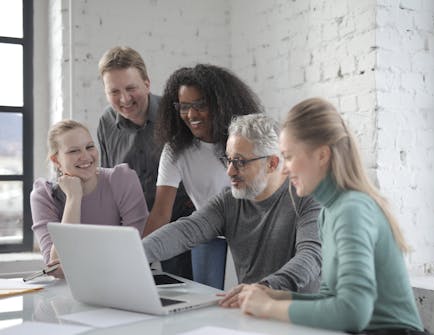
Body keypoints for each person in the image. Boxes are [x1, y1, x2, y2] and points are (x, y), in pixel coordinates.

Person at [237, 98, 425, 335]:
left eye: (290, 156)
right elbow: (331, 298)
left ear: (322, 155)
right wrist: (279, 296)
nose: (284, 168)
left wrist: (270, 308)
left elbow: (353, 313)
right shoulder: (329, 211)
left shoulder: (352, 209)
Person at [143, 114, 321, 294]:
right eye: (228, 160)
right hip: (251, 310)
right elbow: (185, 231)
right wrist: (134, 254)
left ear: (271, 163)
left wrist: (266, 288)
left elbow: (311, 256)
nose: (229, 171)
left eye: (240, 162)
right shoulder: (228, 201)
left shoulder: (309, 198)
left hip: (300, 316)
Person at [144, 64, 264, 289]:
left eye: (200, 105)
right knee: (210, 303)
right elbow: (160, 213)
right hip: (206, 238)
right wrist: (137, 258)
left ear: (220, 104)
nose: (191, 114)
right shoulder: (175, 150)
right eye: (184, 106)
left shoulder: (243, 142)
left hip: (251, 236)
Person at [96, 46, 193, 278]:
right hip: (130, 235)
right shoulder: (106, 123)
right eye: (114, 92)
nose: (124, 99)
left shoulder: (177, 116)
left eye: (131, 88)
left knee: (186, 300)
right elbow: (110, 184)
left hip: (181, 232)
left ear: (147, 83)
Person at [31, 120, 148, 277]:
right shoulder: (44, 195)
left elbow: (135, 251)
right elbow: (55, 266)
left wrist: (76, 264)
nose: (86, 156)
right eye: (73, 151)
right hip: (67, 290)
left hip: (122, 280)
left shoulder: (122, 180)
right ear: (56, 160)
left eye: (89, 147)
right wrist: (73, 198)